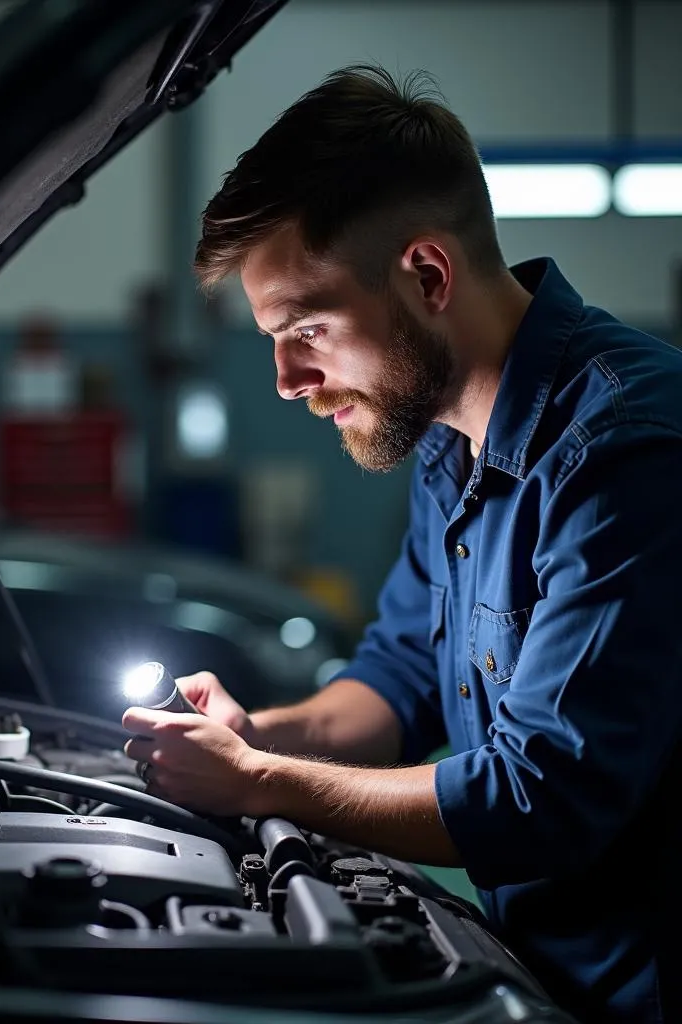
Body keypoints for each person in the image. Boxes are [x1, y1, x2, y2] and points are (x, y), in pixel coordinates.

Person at [122, 65, 682, 1024]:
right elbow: (393, 686)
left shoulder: (627, 449)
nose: (288, 379)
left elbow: (542, 794)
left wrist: (262, 783)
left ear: (427, 275)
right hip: (543, 973)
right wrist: (259, 734)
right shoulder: (448, 442)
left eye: (306, 327)